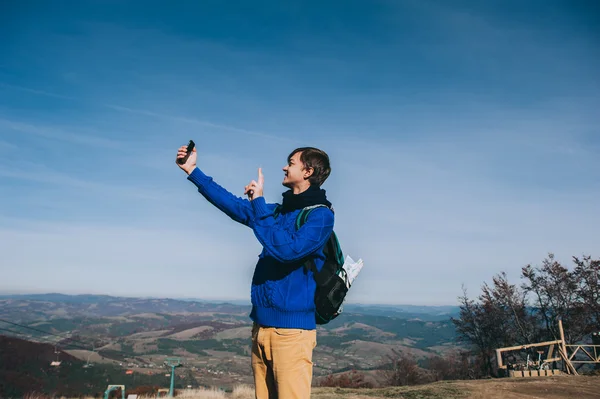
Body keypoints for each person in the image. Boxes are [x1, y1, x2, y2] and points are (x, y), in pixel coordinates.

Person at [176, 143, 335, 399]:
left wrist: (259, 204)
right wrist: (192, 171)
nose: (284, 166)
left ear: (308, 171)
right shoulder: (277, 212)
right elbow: (232, 205)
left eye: (291, 163)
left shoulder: (321, 217)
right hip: (261, 327)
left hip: (291, 334)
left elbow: (286, 251)